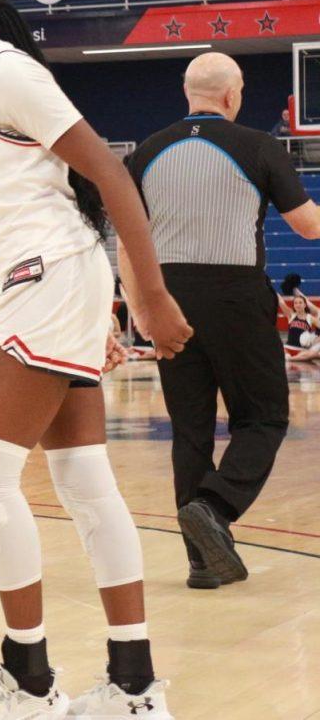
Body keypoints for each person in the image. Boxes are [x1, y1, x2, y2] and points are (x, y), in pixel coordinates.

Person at [0, 0, 192, 719]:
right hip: (40, 284)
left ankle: (28, 682)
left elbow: (110, 173)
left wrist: (151, 294)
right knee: (82, 481)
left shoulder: (6, 75)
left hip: (50, 278)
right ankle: (135, 687)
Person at [126, 52, 320, 592]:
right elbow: (307, 227)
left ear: (187, 92)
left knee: (189, 432)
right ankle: (215, 505)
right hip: (235, 296)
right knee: (263, 419)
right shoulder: (259, 146)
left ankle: (201, 562)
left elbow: (125, 239)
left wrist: (142, 307)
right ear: (233, 96)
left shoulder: (146, 151)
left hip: (167, 296)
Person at [279, 292, 319, 360]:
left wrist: (316, 339)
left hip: (302, 350)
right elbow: (281, 302)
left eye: (300, 303)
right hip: (288, 348)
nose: (298, 305)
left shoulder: (310, 318)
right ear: (294, 305)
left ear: (305, 305)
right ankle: (293, 357)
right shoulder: (291, 315)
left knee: (314, 354)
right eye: (296, 303)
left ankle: (292, 359)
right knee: (278, 347)